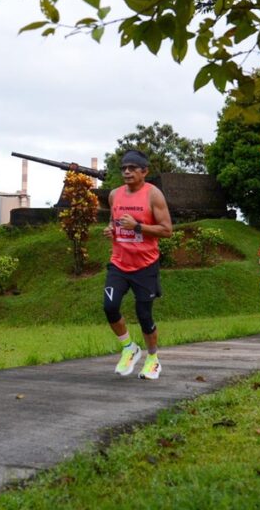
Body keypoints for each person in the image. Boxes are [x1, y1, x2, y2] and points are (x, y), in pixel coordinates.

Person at [102, 149, 173, 380]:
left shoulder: (154, 195)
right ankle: (129, 348)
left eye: (132, 168)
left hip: (145, 265)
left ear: (145, 171)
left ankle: (152, 359)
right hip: (119, 263)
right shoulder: (114, 195)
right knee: (109, 307)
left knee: (144, 316)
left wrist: (138, 227)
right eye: (123, 168)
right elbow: (113, 221)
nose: (127, 172)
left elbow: (167, 230)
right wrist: (111, 229)